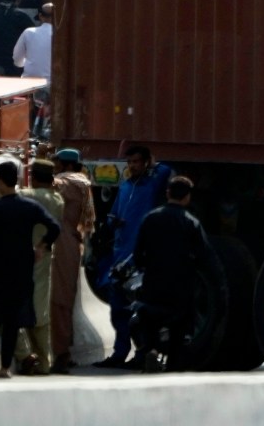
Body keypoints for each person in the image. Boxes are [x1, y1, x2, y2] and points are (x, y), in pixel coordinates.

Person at [0, 159, 61, 376]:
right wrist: (42, 246)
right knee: (12, 321)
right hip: (21, 269)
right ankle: (4, 368)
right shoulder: (30, 207)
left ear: (0, 182)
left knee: (0, 317)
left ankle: (11, 361)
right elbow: (55, 227)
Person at [128, 173, 220, 362]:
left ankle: (152, 350)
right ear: (187, 197)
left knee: (150, 319)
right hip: (181, 285)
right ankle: (173, 363)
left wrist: (147, 268)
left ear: (167, 192)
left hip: (153, 283)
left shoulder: (150, 218)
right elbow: (205, 257)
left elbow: (137, 254)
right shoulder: (191, 222)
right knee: (180, 324)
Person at [98, 145, 170, 367]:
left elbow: (167, 169)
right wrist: (113, 223)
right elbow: (115, 215)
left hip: (140, 260)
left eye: (136, 162)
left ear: (146, 162)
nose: (132, 166)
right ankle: (120, 354)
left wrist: (154, 164)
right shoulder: (126, 185)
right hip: (120, 258)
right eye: (129, 163)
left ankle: (142, 354)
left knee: (140, 313)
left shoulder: (152, 185)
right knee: (117, 312)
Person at [45, 150, 95, 372]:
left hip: (62, 241)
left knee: (58, 300)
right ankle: (61, 350)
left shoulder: (68, 183)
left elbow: (45, 187)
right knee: (64, 299)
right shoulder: (82, 182)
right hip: (72, 242)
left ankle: (59, 353)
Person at [12, 2, 53, 78]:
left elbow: (17, 60)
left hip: (29, 82)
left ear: (40, 16)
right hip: (53, 83)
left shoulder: (28, 32)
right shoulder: (63, 36)